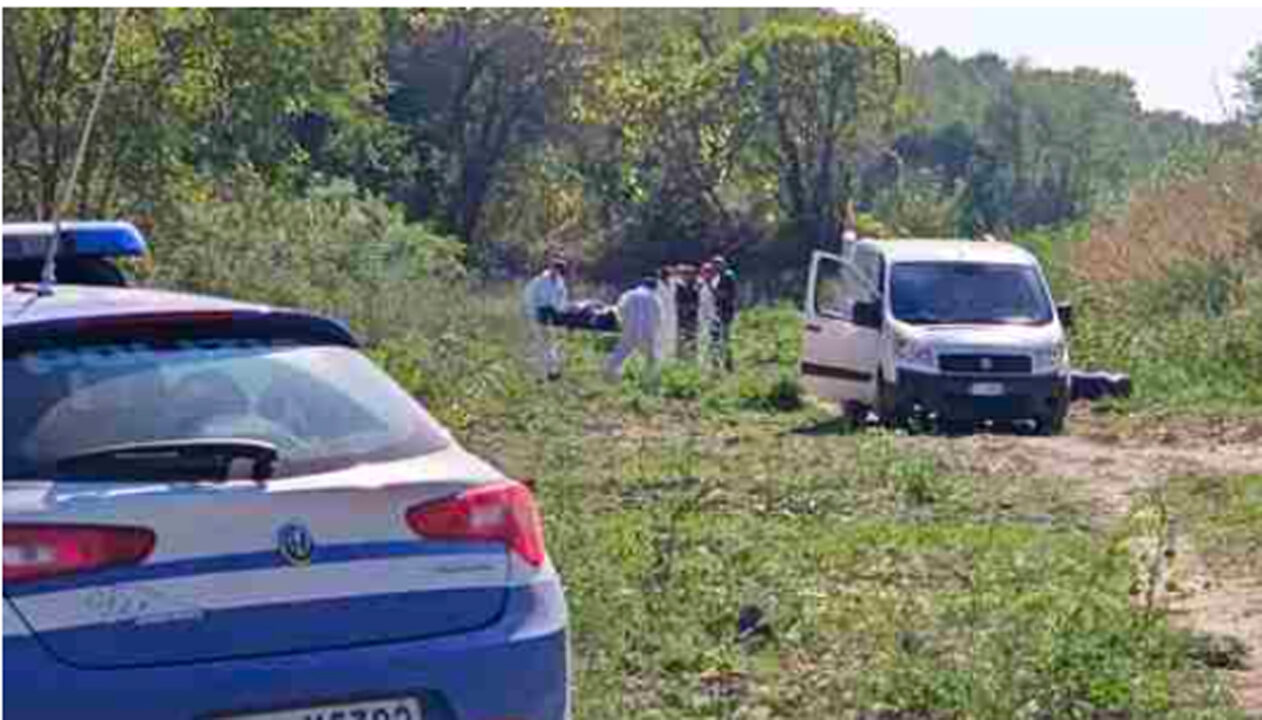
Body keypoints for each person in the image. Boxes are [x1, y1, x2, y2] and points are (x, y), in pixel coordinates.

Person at [605, 277, 664, 383]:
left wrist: (622, 324)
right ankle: (650, 378)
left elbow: (620, 309)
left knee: (622, 351)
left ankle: (609, 373)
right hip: (647, 330)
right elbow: (658, 316)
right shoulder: (654, 297)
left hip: (630, 328)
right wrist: (656, 329)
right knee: (651, 355)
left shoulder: (629, 294)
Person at [522, 259, 570, 380]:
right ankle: (538, 374)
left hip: (553, 315)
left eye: (559, 271)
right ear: (552, 268)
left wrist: (561, 312)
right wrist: (531, 313)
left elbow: (562, 298)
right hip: (539, 313)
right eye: (555, 269)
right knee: (540, 343)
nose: (556, 273)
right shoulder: (539, 281)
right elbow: (528, 296)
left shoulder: (560, 282)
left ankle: (552, 372)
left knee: (551, 343)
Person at [709, 255, 738, 372]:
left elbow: (728, 294)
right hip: (717, 311)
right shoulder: (717, 277)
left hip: (725, 311)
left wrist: (714, 291)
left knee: (724, 338)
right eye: (714, 264)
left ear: (723, 264)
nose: (716, 266)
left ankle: (727, 363)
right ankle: (717, 363)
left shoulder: (728, 276)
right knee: (715, 338)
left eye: (718, 264)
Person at [674, 265, 701, 361]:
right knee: (680, 339)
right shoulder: (678, 287)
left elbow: (698, 303)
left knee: (692, 338)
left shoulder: (696, 287)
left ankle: (692, 358)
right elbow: (675, 302)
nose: (686, 276)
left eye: (688, 274)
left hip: (692, 317)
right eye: (684, 274)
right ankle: (680, 358)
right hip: (681, 317)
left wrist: (690, 307)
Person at [656, 266, 678, 361]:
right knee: (660, 336)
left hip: (672, 313)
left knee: (672, 336)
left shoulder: (674, 284)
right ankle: (660, 358)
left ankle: (670, 357)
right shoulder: (657, 285)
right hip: (661, 314)